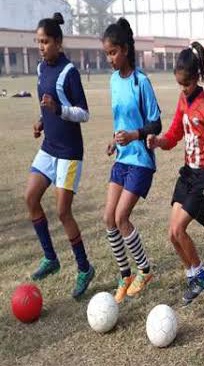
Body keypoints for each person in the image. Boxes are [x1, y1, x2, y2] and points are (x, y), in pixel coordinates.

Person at [147, 42, 204, 305]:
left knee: (179, 228)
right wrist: (158, 141)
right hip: (187, 174)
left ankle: (201, 274)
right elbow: (173, 135)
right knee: (172, 234)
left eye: (186, 84)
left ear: (196, 78)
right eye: (180, 84)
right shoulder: (183, 101)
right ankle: (193, 275)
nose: (182, 89)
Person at [25, 12, 95, 298]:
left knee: (63, 212)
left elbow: (84, 113)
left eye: (45, 42)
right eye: (38, 42)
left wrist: (58, 110)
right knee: (30, 198)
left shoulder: (69, 72)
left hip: (69, 152)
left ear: (58, 42)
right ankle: (50, 258)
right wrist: (42, 120)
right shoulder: (41, 69)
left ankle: (83, 268)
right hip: (49, 147)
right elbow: (46, 104)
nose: (41, 47)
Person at [102, 18, 162, 303]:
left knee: (121, 217)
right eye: (106, 53)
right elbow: (120, 121)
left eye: (113, 52)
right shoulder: (113, 81)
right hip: (122, 158)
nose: (109, 58)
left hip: (141, 161)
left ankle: (145, 270)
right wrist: (115, 140)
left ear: (125, 50)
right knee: (108, 218)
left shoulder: (141, 82)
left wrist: (135, 135)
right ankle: (125, 274)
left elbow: (157, 124)